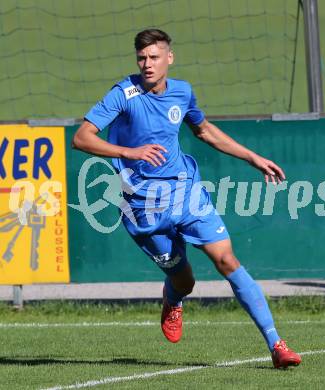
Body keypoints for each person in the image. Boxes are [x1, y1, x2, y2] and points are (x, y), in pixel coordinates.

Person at [72, 29, 301, 369]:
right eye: (141, 58)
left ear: (169, 58)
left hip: (186, 192)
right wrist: (128, 151)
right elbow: (81, 137)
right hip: (143, 207)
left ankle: (277, 346)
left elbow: (204, 130)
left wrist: (253, 158)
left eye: (153, 57)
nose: (147, 64)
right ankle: (173, 298)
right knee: (185, 280)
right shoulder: (123, 93)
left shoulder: (182, 92)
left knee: (226, 260)